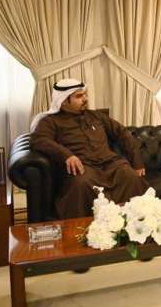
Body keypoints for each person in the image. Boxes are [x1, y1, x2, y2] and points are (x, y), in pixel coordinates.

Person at [30, 78, 148, 218]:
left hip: (110, 164)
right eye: (79, 96)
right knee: (82, 184)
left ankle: (134, 222)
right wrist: (67, 155)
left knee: (131, 177)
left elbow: (122, 133)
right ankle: (86, 226)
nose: (85, 99)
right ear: (64, 100)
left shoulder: (96, 116)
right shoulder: (50, 121)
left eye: (85, 94)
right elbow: (39, 140)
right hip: (83, 167)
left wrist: (137, 162)